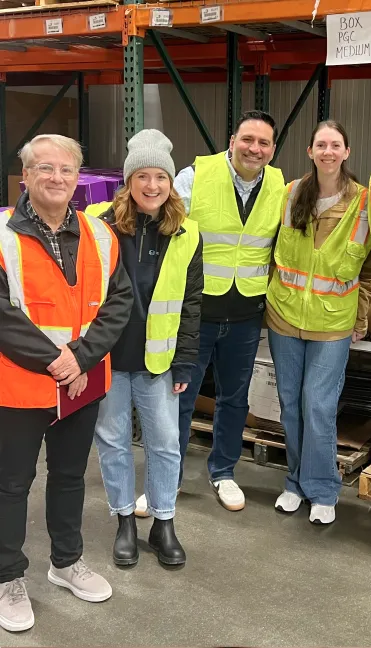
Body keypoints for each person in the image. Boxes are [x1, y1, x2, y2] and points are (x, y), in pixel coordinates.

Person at [0, 134, 133, 633]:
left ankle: (66, 561)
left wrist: (79, 358)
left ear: (78, 178)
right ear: (26, 175)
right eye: (45, 168)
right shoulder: (2, 236)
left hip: (81, 383)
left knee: (71, 477)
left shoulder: (100, 235)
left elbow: (119, 302)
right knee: (11, 484)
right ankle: (7, 576)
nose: (57, 178)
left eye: (67, 170)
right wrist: (56, 360)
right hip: (19, 386)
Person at [163, 110, 285, 514]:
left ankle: (223, 471)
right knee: (181, 396)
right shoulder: (195, 176)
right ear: (232, 140)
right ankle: (169, 476)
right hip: (196, 311)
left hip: (246, 312)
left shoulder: (279, 186)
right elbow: (166, 228)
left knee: (235, 398)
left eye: (264, 142)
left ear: (272, 149)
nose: (255, 148)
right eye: (248, 139)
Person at [91, 130, 203, 568]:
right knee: (114, 441)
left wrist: (186, 361)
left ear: (171, 182)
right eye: (143, 175)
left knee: (164, 445)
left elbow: (192, 303)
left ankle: (163, 522)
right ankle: (124, 521)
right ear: (129, 180)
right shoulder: (100, 225)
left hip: (159, 359)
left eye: (161, 176)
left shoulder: (187, 233)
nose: (152, 185)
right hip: (109, 357)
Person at [266, 121, 371, 525]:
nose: (328, 151)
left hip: (333, 323)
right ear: (310, 151)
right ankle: (294, 482)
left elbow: (368, 271)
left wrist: (361, 316)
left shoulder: (364, 203)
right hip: (284, 317)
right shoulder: (291, 194)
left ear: (346, 152)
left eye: (336, 145)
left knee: (319, 405)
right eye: (320, 145)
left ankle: (323, 488)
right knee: (290, 404)